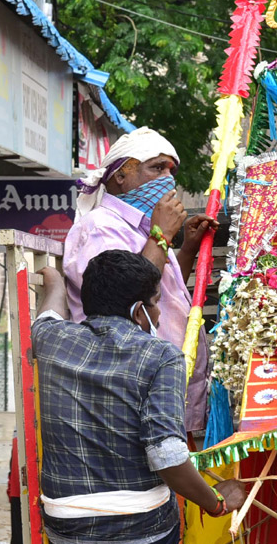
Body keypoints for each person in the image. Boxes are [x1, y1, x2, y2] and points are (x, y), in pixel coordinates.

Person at [34, 251, 247, 544]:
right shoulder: (162, 356)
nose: (159, 314)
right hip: (143, 539)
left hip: (67, 540)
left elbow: (48, 313)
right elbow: (167, 456)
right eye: (156, 302)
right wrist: (215, 503)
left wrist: (54, 283)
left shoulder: (50, 339)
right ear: (138, 311)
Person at [66, 128, 218, 432]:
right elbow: (125, 297)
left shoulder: (142, 228)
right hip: (134, 393)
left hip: (168, 391)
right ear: (121, 175)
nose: (167, 180)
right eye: (156, 168)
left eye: (170, 170)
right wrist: (163, 235)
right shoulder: (100, 228)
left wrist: (186, 247)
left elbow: (159, 292)